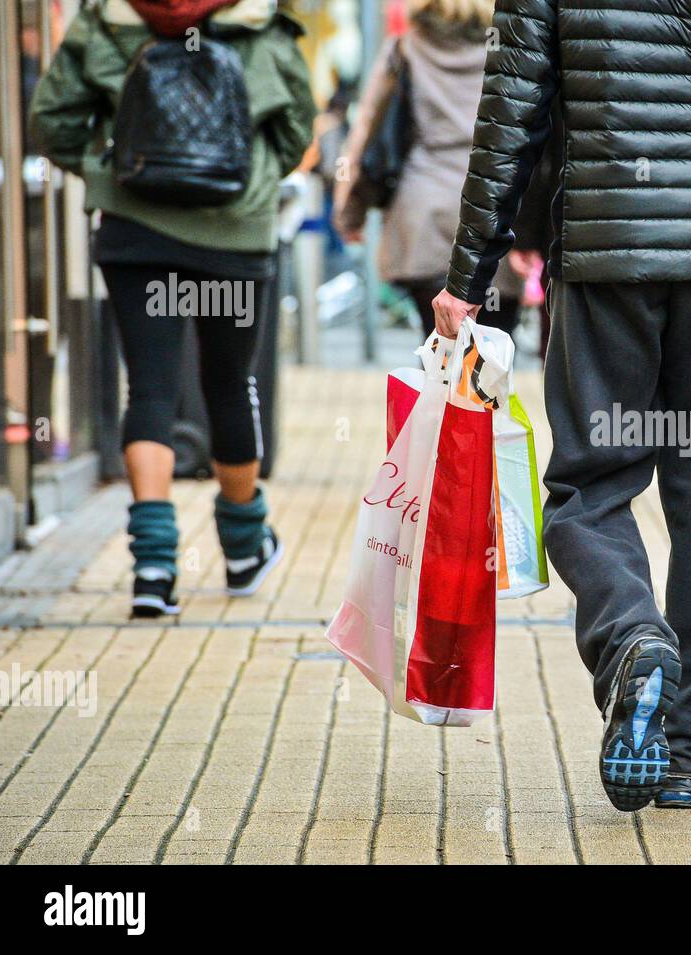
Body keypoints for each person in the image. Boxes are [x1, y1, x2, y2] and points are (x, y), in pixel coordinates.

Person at [432, 0, 691, 811]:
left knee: (589, 487)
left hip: (604, 248)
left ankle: (632, 637)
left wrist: (469, 275)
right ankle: (690, 754)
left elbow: (511, 106)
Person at [30, 0, 316, 617]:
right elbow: (296, 129)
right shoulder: (260, 21)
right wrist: (254, 183)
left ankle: (154, 569)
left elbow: (52, 121)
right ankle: (243, 548)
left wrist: (107, 172)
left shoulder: (107, 19)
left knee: (151, 392)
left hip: (136, 232)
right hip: (234, 237)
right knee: (230, 385)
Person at [332, 0, 529, 339]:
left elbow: (365, 131)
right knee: (491, 358)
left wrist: (349, 213)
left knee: (438, 348)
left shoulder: (405, 48)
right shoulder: (513, 47)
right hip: (495, 211)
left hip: (422, 215)